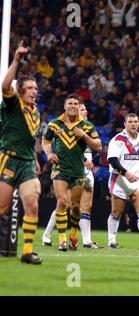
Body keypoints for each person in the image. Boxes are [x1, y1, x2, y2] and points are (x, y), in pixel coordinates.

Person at [42, 94, 101, 251]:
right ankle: (62, 240)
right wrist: (48, 154)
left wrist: (84, 136)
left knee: (75, 206)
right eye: (70, 103)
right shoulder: (55, 124)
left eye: (76, 103)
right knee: (62, 201)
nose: (73, 106)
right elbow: (45, 140)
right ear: (65, 106)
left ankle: (73, 235)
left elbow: (98, 146)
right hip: (60, 169)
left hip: (78, 170)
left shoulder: (87, 126)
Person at [0, 41, 42, 264]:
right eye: (30, 89)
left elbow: (30, 139)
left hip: (26, 162)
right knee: (2, 206)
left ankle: (27, 252)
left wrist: (35, 158)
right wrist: (16, 60)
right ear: (21, 90)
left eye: (36, 89)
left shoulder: (36, 114)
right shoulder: (13, 104)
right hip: (8, 159)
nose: (34, 92)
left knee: (32, 205)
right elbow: (5, 86)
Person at [107, 113, 139, 251]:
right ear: (125, 124)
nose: (133, 124)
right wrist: (126, 173)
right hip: (120, 179)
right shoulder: (117, 139)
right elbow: (112, 160)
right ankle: (112, 240)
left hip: (138, 181)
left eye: (136, 121)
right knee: (117, 212)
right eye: (130, 121)